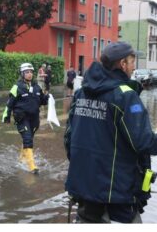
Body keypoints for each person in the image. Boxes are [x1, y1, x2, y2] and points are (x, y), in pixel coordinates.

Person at [64, 41, 157, 223]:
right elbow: (144, 141)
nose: (133, 67)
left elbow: (68, 139)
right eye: (132, 62)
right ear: (123, 64)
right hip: (117, 196)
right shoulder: (125, 96)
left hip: (84, 191)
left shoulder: (81, 93)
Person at [2, 63, 49, 174]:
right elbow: (9, 104)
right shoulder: (16, 87)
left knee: (28, 140)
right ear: (22, 74)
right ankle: (32, 166)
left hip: (34, 119)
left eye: (31, 72)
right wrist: (6, 117)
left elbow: (42, 101)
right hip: (22, 118)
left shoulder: (37, 87)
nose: (29, 74)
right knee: (28, 139)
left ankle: (21, 159)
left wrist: (47, 97)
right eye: (27, 72)